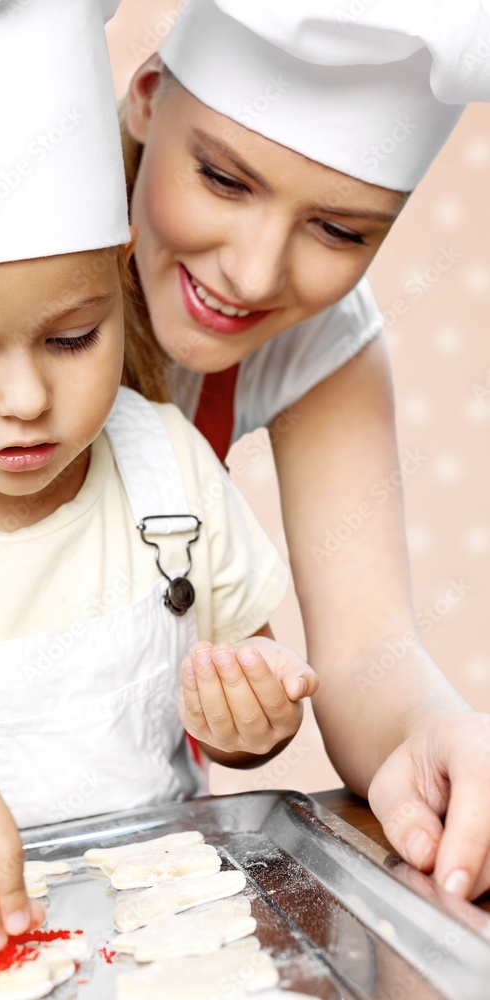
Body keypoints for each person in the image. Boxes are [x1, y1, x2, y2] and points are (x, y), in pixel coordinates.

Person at [0, 0, 316, 952]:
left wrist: (255, 719)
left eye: (74, 337)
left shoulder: (166, 467)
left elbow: (256, 689)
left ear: (120, 280)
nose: (29, 398)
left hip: (162, 951)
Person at [116, 0, 490, 901]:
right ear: (146, 95)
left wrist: (439, 735)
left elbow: (367, 654)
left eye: (339, 230)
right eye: (222, 179)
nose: (251, 274)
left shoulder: (322, 343)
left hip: (126, 862)